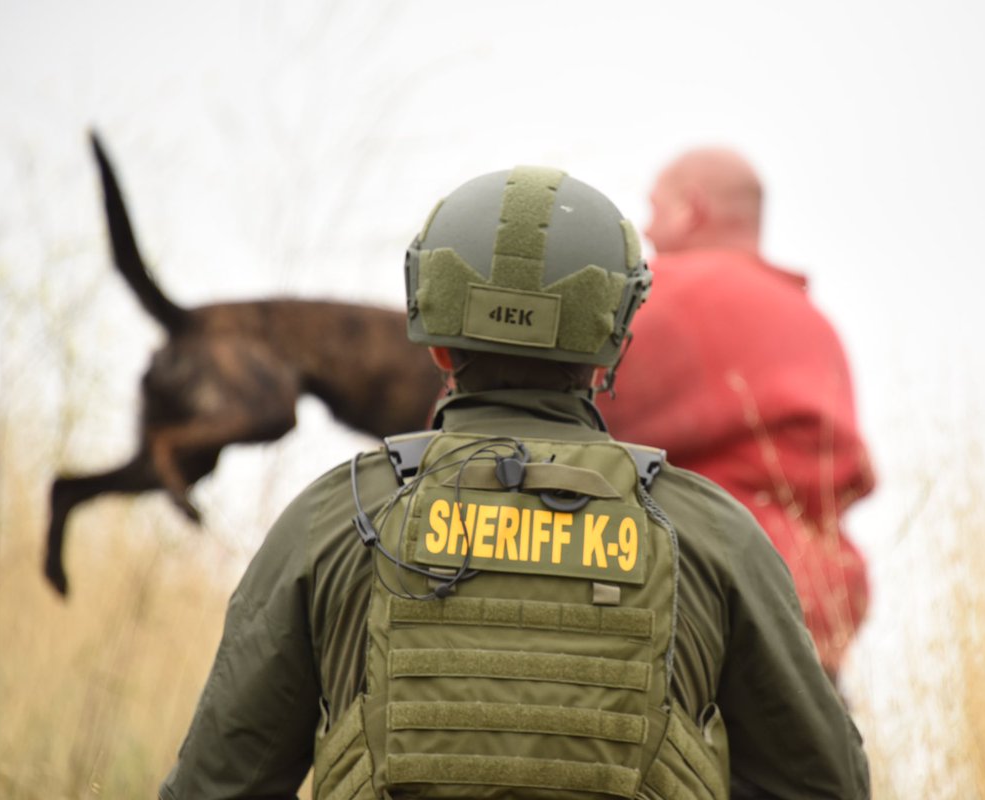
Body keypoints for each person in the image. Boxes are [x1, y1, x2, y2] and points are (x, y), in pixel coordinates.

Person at [159, 166, 870, 799]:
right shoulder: (712, 535)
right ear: (614, 344)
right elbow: (824, 784)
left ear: (434, 339)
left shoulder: (335, 517)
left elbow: (221, 782)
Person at [597, 148, 875, 682]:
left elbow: (555, 408)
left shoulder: (664, 295)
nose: (648, 230)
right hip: (817, 621)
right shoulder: (817, 325)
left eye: (655, 209)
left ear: (690, 211)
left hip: (705, 617)